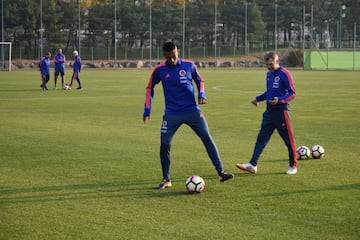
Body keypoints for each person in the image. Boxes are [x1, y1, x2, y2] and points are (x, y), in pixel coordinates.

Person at [143, 41, 234, 190]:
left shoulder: (189, 65)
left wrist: (202, 93)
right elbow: (149, 88)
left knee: (207, 137)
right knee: (165, 143)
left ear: (177, 51)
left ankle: (221, 172)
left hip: (192, 111)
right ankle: (166, 179)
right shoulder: (159, 70)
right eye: (168, 57)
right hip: (172, 113)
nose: (172, 60)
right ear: (164, 56)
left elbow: (200, 80)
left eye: (174, 56)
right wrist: (147, 110)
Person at [236, 52, 298, 175]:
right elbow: (269, 91)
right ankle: (253, 164)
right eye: (267, 64)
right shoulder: (268, 74)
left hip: (281, 112)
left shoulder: (285, 74)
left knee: (288, 140)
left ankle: (293, 166)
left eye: (271, 64)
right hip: (269, 112)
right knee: (261, 139)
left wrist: (279, 100)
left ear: (277, 61)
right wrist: (257, 99)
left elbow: (292, 93)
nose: (269, 67)